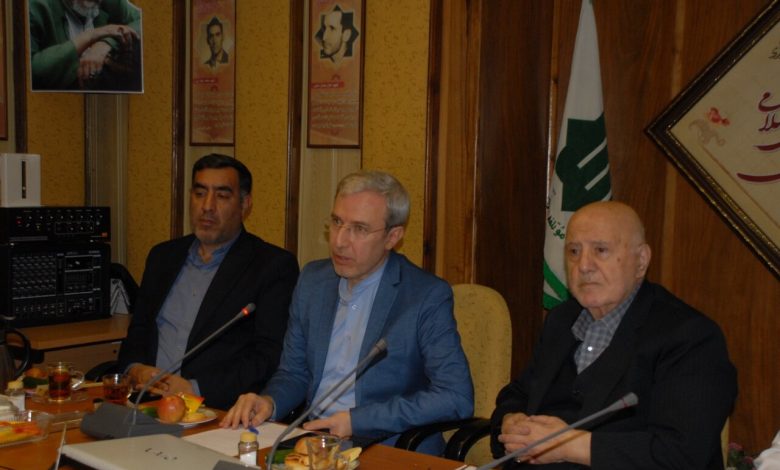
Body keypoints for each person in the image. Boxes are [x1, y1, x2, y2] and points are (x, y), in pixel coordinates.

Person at [221, 170, 473, 455]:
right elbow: (294, 373)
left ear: (393, 237)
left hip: (389, 448)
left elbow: (456, 396)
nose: (340, 241)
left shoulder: (424, 296)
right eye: (337, 222)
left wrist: (358, 421)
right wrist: (269, 401)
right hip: (312, 443)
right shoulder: (313, 281)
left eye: (359, 229)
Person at [490, 201, 737, 469]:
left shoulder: (690, 336)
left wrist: (568, 446)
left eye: (601, 250)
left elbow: (681, 454)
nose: (584, 265)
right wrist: (511, 421)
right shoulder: (561, 320)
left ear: (641, 261)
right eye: (574, 251)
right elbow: (518, 394)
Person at [117, 154, 299, 410]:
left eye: (222, 196)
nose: (207, 206)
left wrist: (194, 389)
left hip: (212, 409)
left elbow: (268, 357)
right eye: (200, 193)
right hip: (144, 402)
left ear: (245, 204)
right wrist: (136, 369)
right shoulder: (162, 257)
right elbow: (139, 329)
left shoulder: (272, 266)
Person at [29, 0, 142, 91]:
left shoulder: (110, 2)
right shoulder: (35, 7)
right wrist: (91, 36)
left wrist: (104, 44)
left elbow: (143, 22)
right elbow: (28, 74)